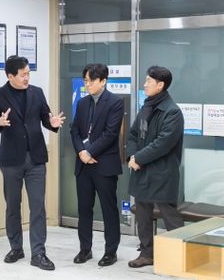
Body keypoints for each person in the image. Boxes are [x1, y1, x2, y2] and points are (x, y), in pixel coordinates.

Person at [0, 55, 65, 271]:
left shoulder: (37, 92)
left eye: (28, 73)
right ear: (10, 76)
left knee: (38, 206)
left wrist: (52, 123)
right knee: (13, 205)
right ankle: (16, 247)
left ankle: (38, 253)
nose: (27, 78)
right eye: (22, 75)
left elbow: (46, 118)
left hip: (36, 158)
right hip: (11, 160)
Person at [126, 66, 184, 268]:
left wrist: (138, 158)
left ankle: (180, 257)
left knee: (170, 216)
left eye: (149, 81)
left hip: (162, 172)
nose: (145, 84)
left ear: (160, 85)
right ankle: (147, 253)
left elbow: (163, 143)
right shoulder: (146, 107)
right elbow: (133, 134)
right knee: (143, 214)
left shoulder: (172, 111)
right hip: (142, 170)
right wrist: (132, 156)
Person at [70, 63, 124, 267]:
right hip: (84, 165)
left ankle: (111, 251)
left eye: (91, 81)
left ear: (103, 81)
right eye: (85, 80)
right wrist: (81, 152)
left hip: (104, 165)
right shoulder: (82, 103)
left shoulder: (115, 102)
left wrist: (89, 152)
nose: (88, 84)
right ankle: (85, 249)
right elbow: (74, 130)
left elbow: (110, 134)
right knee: (84, 208)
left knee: (108, 209)